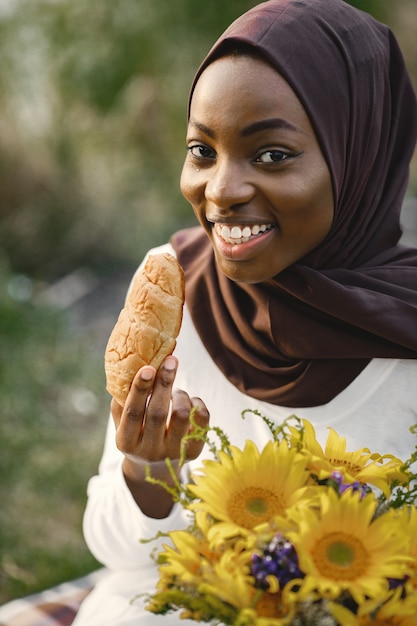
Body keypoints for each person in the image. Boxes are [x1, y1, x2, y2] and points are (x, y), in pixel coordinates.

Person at [73, 0, 417, 624]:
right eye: (202, 150)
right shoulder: (172, 292)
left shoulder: (407, 339)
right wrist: (150, 469)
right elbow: (120, 557)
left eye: (272, 155)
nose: (221, 192)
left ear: (361, 154)